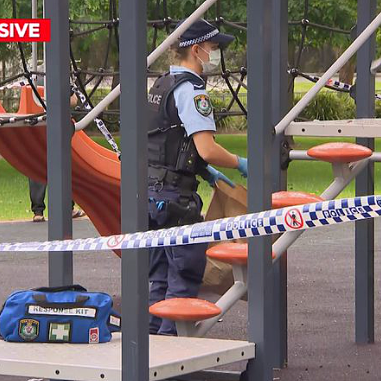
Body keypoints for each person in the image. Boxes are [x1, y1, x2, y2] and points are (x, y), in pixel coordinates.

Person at [146, 19, 248, 336]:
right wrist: (239, 162)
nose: (214, 55)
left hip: (150, 197)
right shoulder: (192, 92)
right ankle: (170, 353)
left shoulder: (160, 86)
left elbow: (169, 142)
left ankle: (149, 349)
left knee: (159, 280)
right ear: (196, 49)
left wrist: (205, 172)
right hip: (177, 201)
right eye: (213, 48)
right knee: (182, 280)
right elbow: (206, 148)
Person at [30, 93, 85, 222]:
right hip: (56, 125)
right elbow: (73, 101)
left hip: (37, 123)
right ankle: (67, 207)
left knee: (39, 164)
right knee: (63, 164)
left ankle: (38, 211)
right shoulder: (63, 77)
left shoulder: (34, 80)